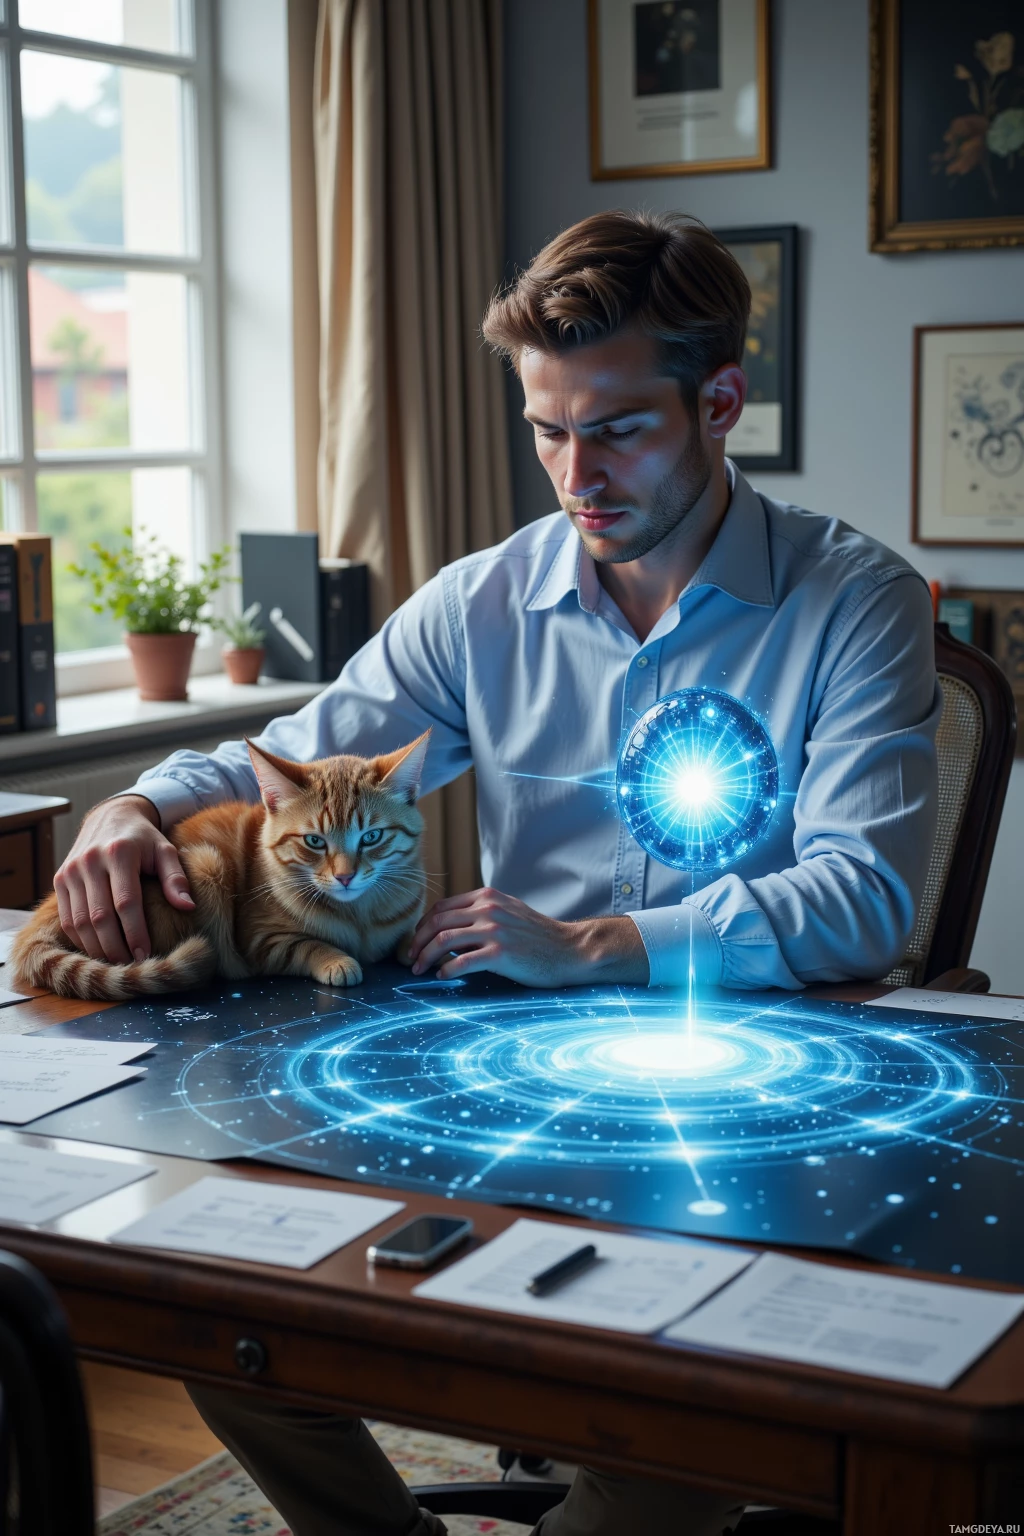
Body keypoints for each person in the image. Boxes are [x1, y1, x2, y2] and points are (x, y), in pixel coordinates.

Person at [54, 211, 940, 1536]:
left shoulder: (854, 600)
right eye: (546, 429)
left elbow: (864, 900)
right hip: (505, 1084)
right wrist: (128, 803)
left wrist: (591, 944)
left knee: (678, 1431)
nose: (574, 473)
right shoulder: (481, 603)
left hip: (765, 1100)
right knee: (222, 1317)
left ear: (720, 402)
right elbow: (298, 757)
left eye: (618, 427)